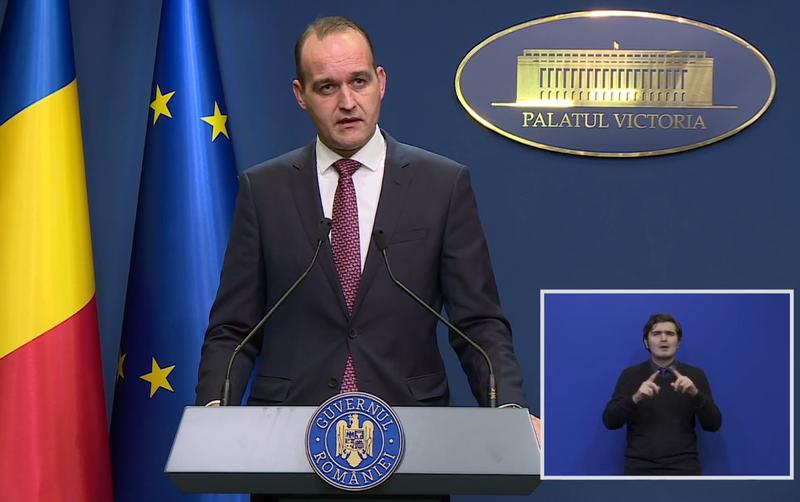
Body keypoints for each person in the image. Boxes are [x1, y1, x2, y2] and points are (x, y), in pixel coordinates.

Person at [195, 16, 529, 412]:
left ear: (380, 82)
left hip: (410, 423)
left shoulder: (442, 185)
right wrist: (212, 412)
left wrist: (508, 409)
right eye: (327, 87)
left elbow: (478, 324)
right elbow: (234, 329)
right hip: (290, 423)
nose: (347, 102)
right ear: (301, 95)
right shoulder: (264, 190)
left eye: (359, 81)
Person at [603, 313, 722, 475]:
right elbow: (610, 422)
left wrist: (695, 394)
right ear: (646, 342)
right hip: (639, 469)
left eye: (670, 334)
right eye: (656, 333)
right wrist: (636, 398)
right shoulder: (630, 375)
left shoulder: (695, 375)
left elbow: (713, 425)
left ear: (678, 342)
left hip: (685, 468)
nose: (663, 339)